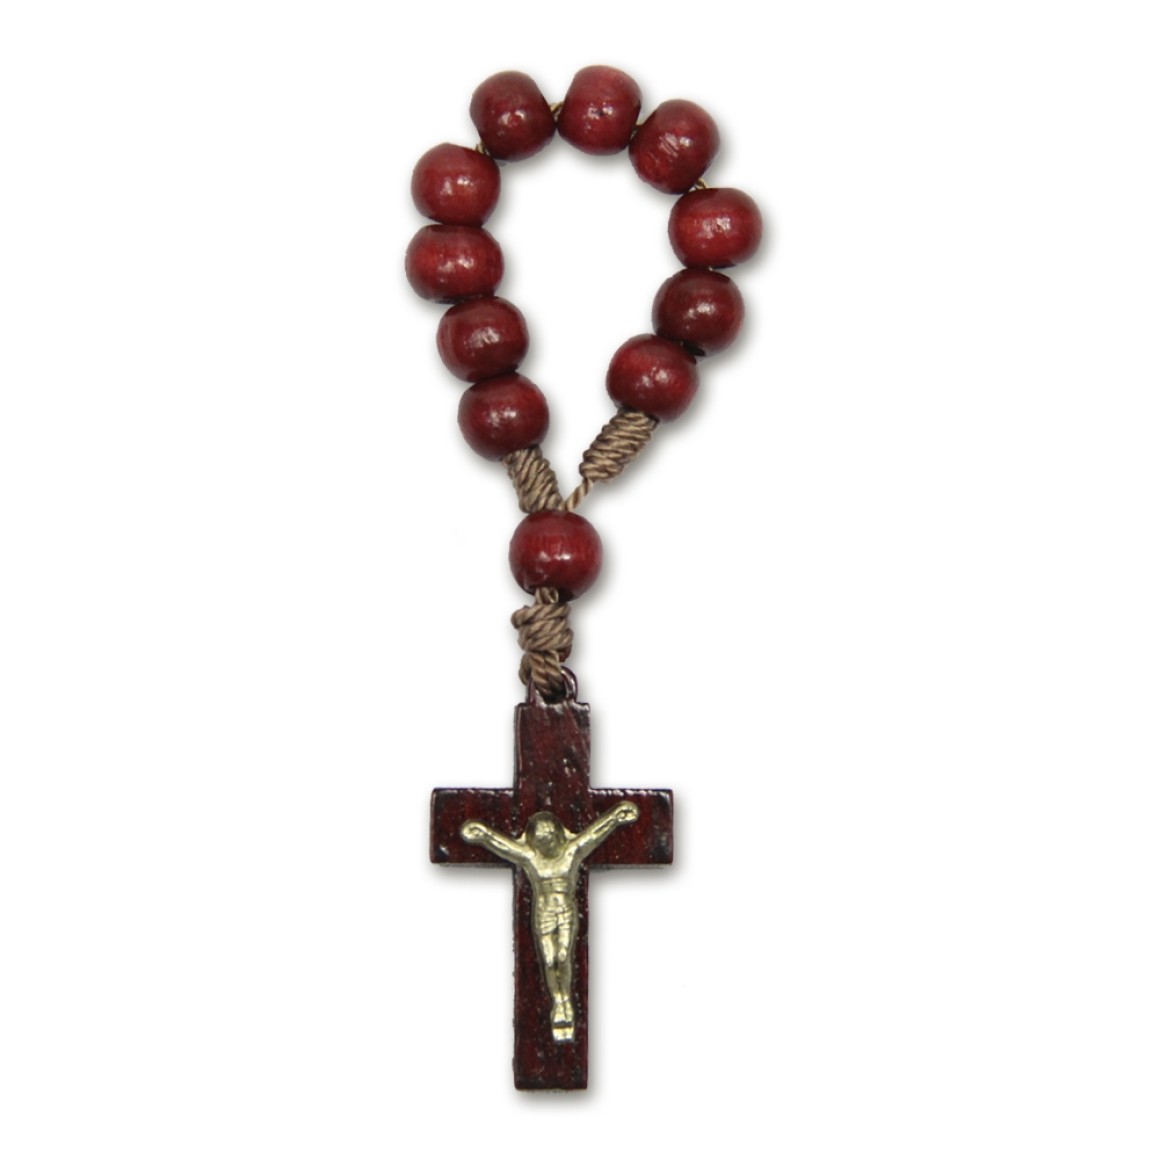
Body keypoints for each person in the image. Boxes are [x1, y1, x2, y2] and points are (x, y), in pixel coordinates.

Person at [461, 802, 639, 1041]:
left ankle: (566, 1001)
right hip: (544, 913)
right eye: (541, 839)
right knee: (548, 959)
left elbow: (593, 834)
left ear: (558, 834)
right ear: (535, 841)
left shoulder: (571, 852)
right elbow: (504, 846)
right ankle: (558, 1003)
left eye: (550, 837)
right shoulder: (532, 858)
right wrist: (483, 835)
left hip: (565, 912)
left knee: (563, 956)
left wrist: (615, 818)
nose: (547, 842)